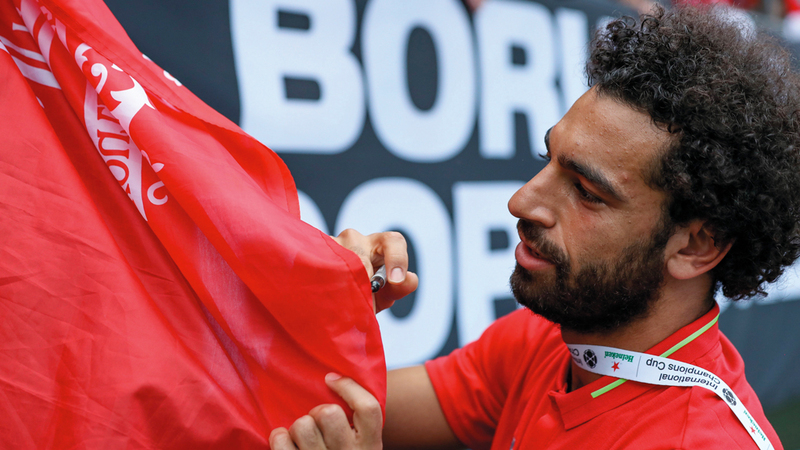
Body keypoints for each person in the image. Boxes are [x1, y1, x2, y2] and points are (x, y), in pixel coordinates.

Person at [270, 5, 800, 449]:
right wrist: (335, 311)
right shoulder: (553, 337)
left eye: (587, 192)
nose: (521, 201)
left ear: (696, 246)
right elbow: (319, 413)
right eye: (547, 159)